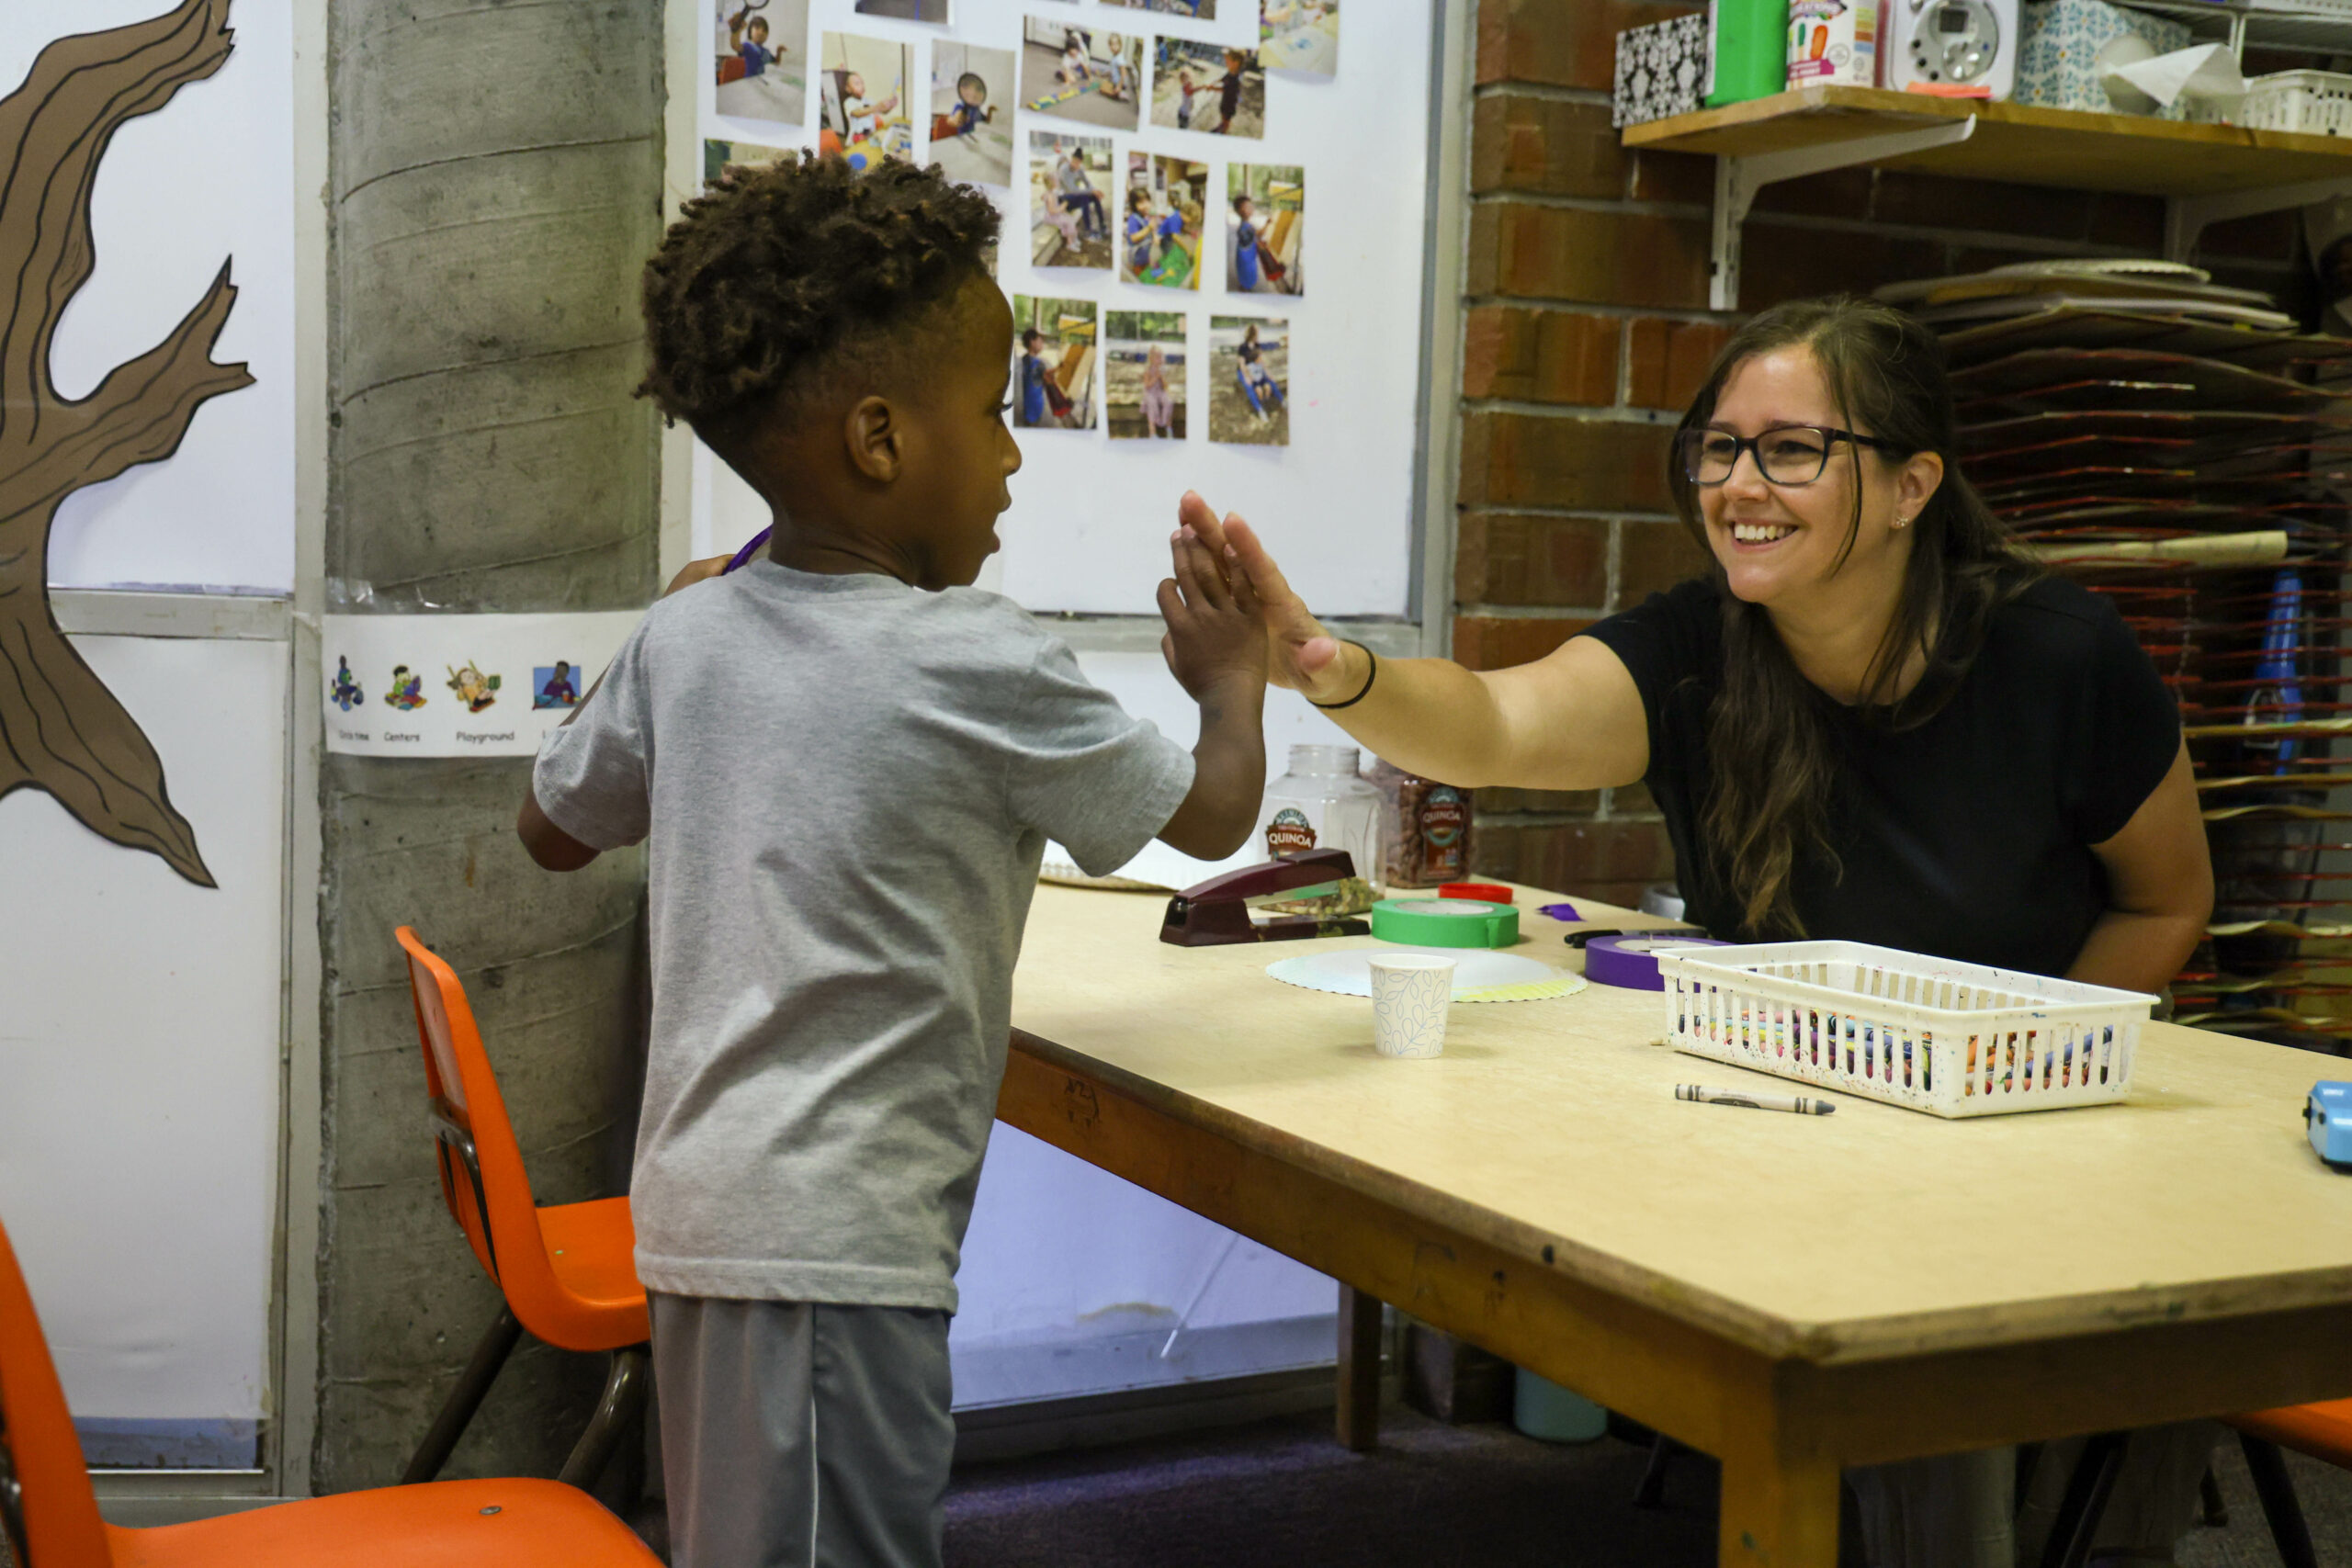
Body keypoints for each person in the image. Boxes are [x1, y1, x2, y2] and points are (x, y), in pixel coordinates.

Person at [1182, 294, 2215, 1568]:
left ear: (1910, 485)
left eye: (1791, 447)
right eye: (1718, 447)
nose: (1739, 481)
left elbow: (2169, 898)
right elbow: (1498, 722)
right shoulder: (1694, 648)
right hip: (1785, 1119)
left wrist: (2028, 1064)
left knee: (1957, 1382)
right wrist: (1337, 669)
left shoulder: (2061, 655)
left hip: (2014, 1133)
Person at [517, 154, 1270, 1568]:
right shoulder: (975, 656)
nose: (1012, 454)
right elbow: (1216, 817)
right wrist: (1233, 677)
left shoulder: (690, 631)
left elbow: (552, 827)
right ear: (878, 437)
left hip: (707, 1219)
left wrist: (668, 633)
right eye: (992, 413)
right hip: (827, 1245)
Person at [1055, 146, 1106, 239]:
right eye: (1074, 161)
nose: (1075, 164)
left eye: (1078, 162)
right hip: (1063, 199)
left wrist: (1095, 190)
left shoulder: (1080, 169)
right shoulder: (1064, 169)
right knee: (1084, 198)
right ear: (1071, 159)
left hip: (1074, 197)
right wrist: (1091, 191)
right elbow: (1072, 190)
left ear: (1081, 162)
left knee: (1095, 197)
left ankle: (1102, 226)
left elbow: (1087, 183)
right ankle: (1088, 230)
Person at [932, 70, 993, 141]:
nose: (974, 92)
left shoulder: (976, 109)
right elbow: (950, 120)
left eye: (978, 89)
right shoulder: (960, 106)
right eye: (968, 89)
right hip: (963, 141)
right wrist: (956, 120)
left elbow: (986, 121)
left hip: (974, 138)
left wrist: (990, 111)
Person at [1141, 342, 1174, 438]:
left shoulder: (1163, 370)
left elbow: (1166, 386)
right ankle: (1153, 432)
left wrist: (1162, 378)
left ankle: (1169, 429)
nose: (1160, 360)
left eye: (1161, 357)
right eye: (1157, 357)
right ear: (1151, 359)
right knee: (1151, 404)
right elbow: (1147, 385)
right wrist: (1156, 377)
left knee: (1168, 401)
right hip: (1150, 392)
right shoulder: (1148, 370)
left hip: (1160, 392)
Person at [738, 15, 778, 79]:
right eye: (757, 28)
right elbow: (735, 45)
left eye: (764, 30)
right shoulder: (747, 46)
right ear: (750, 31)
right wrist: (736, 30)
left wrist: (779, 52)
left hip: (760, 83)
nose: (761, 32)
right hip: (748, 83)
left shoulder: (766, 51)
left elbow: (776, 62)